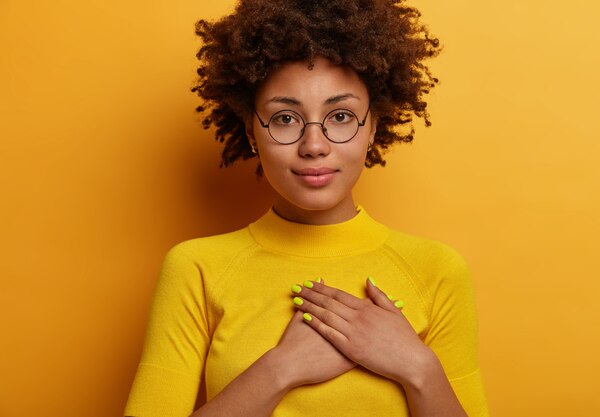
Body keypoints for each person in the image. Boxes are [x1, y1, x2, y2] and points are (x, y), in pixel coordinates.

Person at [124, 0, 489, 416]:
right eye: (284, 119)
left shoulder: (437, 270)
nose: (314, 146)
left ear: (372, 127)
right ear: (251, 131)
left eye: (340, 116)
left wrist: (417, 366)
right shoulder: (196, 268)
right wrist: (281, 368)